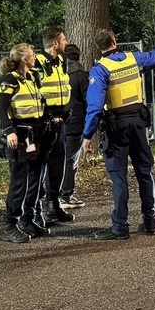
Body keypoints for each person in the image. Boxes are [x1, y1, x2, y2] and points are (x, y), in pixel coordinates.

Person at [83, 29, 155, 240]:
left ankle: (120, 226)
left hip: (117, 128)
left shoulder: (100, 69)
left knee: (119, 176)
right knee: (144, 171)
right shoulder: (134, 59)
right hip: (139, 124)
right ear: (115, 41)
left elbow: (96, 107)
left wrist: (87, 135)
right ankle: (150, 222)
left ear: (99, 46)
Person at [0, 43, 48, 244]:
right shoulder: (10, 80)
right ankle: (10, 224)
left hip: (37, 132)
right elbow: (2, 108)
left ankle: (28, 219)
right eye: (32, 55)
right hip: (20, 133)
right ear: (23, 59)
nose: (35, 58)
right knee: (20, 181)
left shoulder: (33, 76)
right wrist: (9, 131)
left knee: (36, 178)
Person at [34, 27, 74, 226]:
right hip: (43, 120)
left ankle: (54, 204)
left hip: (60, 119)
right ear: (55, 43)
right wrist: (47, 116)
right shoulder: (38, 63)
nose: (66, 43)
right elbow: (34, 92)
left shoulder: (61, 61)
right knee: (41, 164)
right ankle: (37, 209)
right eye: (63, 39)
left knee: (58, 163)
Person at [60, 43, 88, 210]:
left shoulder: (57, 74)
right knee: (71, 160)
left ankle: (54, 195)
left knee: (57, 160)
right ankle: (66, 195)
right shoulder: (80, 75)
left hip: (57, 123)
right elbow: (87, 99)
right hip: (75, 123)